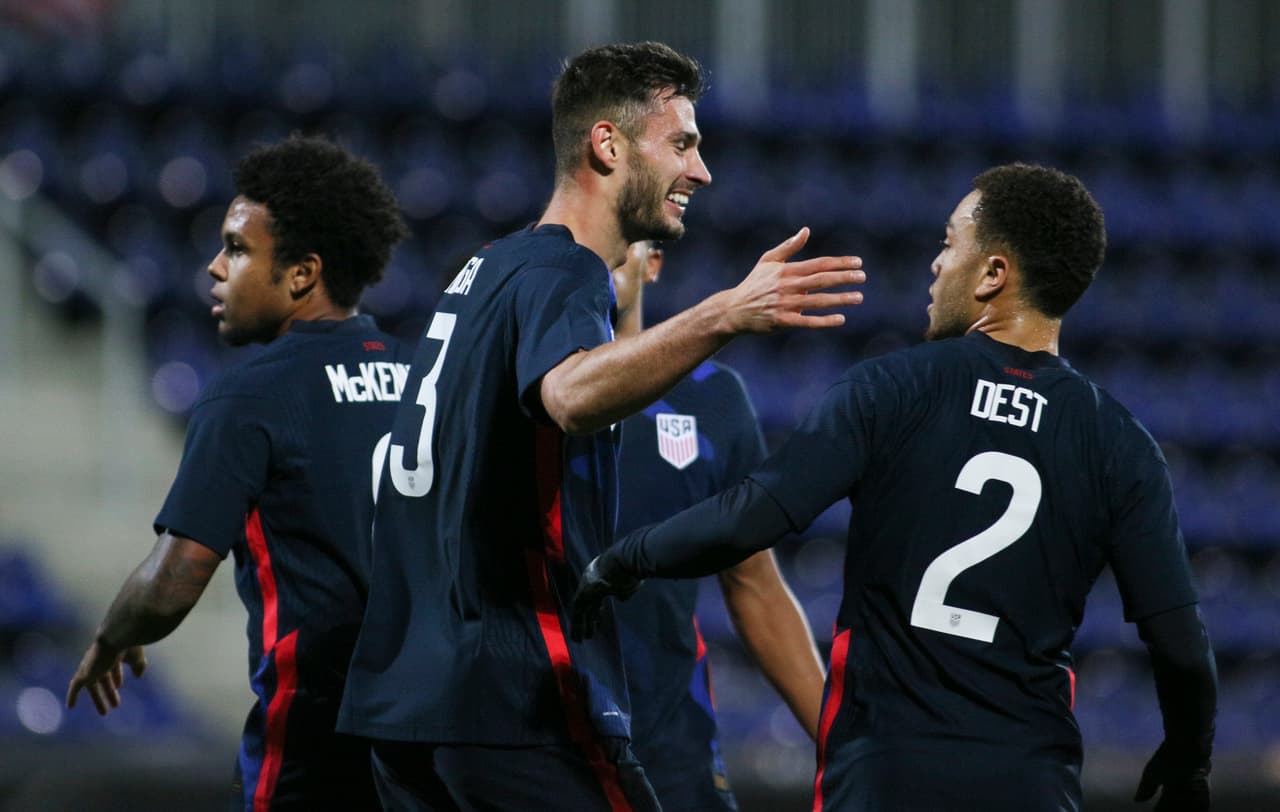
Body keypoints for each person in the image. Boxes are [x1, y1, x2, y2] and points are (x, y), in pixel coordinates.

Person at [574, 163, 1217, 812]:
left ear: (994, 274)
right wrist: (1188, 761)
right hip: (1031, 779)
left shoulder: (894, 388)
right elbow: (1183, 651)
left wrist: (629, 556)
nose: (936, 265)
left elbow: (751, 516)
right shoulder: (1121, 443)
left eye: (949, 243)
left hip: (883, 770)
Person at [337, 41, 864, 812]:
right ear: (608, 144)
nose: (702, 170)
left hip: (410, 705)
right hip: (518, 697)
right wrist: (725, 312)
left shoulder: (486, 271)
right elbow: (572, 395)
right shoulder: (565, 270)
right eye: (682, 144)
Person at [66, 134, 411, 811]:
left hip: (315, 732)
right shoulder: (426, 373)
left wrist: (113, 634)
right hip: (425, 735)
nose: (213, 268)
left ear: (302, 274)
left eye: (237, 248)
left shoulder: (252, 391)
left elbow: (173, 582)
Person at [610, 241, 826, 810]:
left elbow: (755, 585)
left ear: (652, 261)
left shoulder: (712, 399)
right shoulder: (515, 390)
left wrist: (842, 743)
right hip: (533, 737)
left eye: (618, 241)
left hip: (669, 741)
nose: (598, 256)